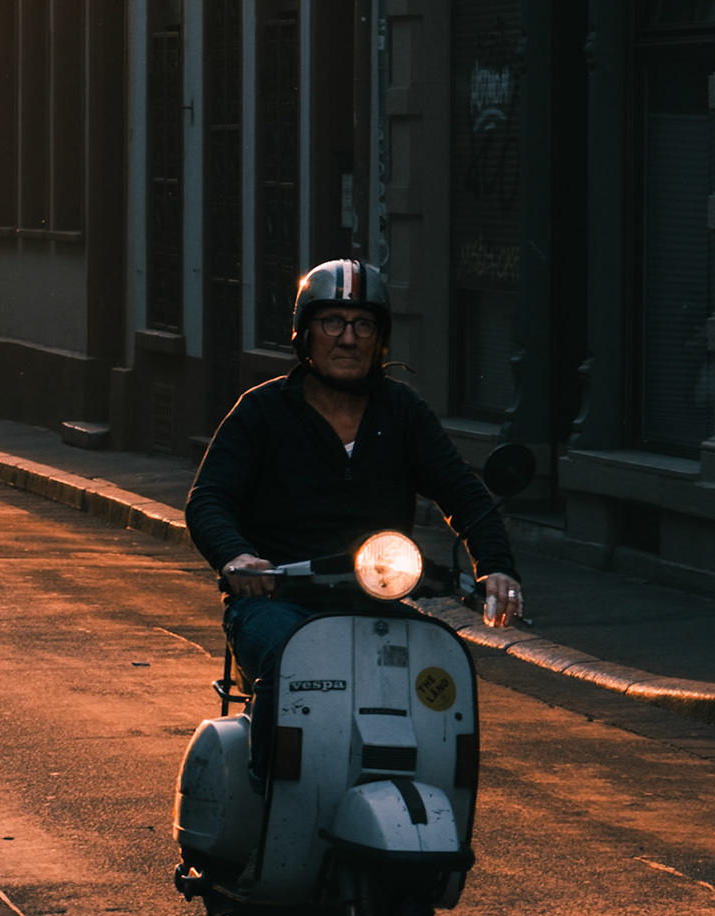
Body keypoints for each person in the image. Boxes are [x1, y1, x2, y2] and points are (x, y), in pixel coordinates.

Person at [185, 259, 525, 705]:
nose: (348, 338)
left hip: (374, 604)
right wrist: (237, 556)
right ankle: (276, 773)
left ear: (379, 339)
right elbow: (208, 498)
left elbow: (461, 491)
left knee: (442, 679)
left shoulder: (402, 412)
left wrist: (495, 566)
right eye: (332, 322)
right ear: (304, 333)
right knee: (295, 668)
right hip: (275, 603)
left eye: (363, 325)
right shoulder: (262, 411)